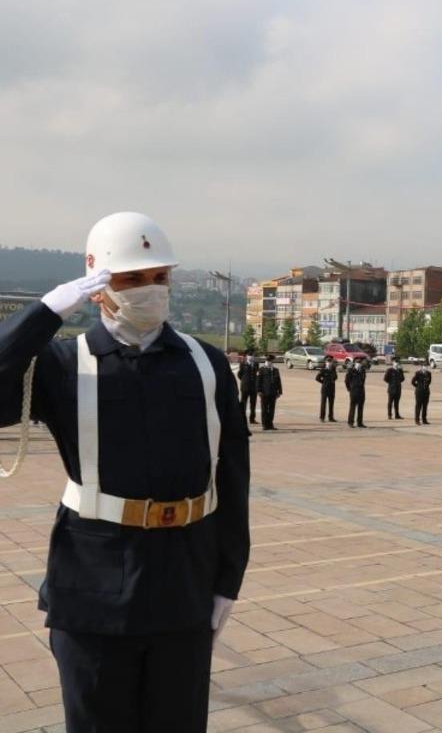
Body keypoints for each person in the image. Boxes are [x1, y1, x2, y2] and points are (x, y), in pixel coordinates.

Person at [0, 211, 250, 732]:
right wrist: (45, 312)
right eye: (132, 279)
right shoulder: (63, 364)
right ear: (96, 283)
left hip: (184, 582)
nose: (150, 290)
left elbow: (232, 477)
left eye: (159, 278)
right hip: (91, 589)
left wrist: (228, 579)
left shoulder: (204, 364)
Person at [256, 353, 283, 430]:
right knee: (264, 410)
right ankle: (265, 425)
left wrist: (279, 391)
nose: (269, 362)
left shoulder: (275, 370)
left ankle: (270, 424)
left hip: (273, 393)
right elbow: (258, 381)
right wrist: (258, 391)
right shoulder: (261, 369)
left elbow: (278, 381)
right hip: (264, 393)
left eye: (271, 361)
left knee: (271, 409)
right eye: (268, 360)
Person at [237, 349, 259, 424]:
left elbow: (256, 374)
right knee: (243, 403)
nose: (252, 357)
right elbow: (239, 374)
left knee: (253, 404)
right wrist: (244, 380)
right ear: (247, 356)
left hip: (253, 387)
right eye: (250, 355)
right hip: (245, 387)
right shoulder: (243, 364)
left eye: (253, 355)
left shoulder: (256, 364)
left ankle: (252, 419)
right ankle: (242, 419)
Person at [344, 359, 366, 428]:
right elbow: (346, 381)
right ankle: (350, 422)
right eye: (358, 362)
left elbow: (363, 380)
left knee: (360, 407)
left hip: (361, 391)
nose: (359, 364)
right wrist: (349, 389)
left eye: (360, 362)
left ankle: (360, 422)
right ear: (354, 363)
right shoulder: (351, 371)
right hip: (353, 391)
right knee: (352, 407)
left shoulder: (362, 371)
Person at [316, 355, 338, 422]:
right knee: (323, 403)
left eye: (330, 360)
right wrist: (323, 382)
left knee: (331, 403)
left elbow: (336, 377)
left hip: (332, 388)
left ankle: (331, 417)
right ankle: (322, 417)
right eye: (328, 360)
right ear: (325, 361)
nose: (330, 361)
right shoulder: (323, 368)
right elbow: (317, 378)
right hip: (325, 388)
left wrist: (332, 379)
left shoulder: (333, 368)